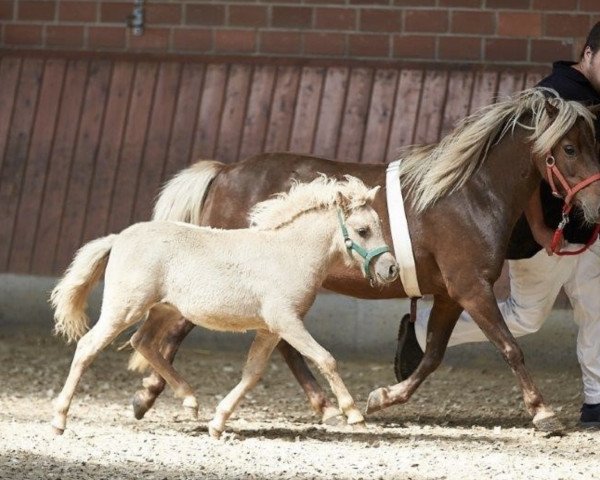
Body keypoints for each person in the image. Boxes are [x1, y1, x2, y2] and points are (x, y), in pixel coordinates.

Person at [395, 22, 600, 427]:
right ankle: (421, 332)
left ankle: (596, 402)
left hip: (585, 228)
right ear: (588, 53)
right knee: (527, 317)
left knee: (596, 308)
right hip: (542, 236)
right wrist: (540, 228)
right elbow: (518, 173)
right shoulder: (551, 98)